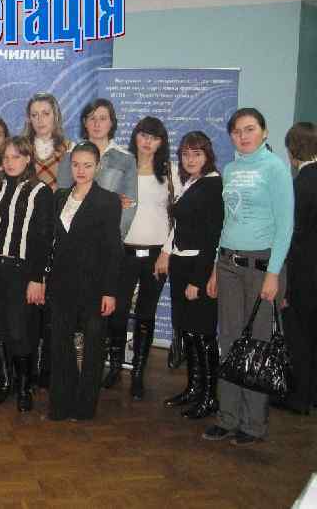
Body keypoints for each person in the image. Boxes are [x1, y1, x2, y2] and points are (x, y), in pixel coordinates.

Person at [203, 108, 294, 445]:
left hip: (262, 269)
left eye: (250, 129)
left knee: (257, 345)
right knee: (228, 341)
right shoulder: (230, 169)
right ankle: (227, 417)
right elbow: (228, 221)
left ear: (264, 132)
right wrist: (216, 266)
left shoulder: (275, 168)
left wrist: (273, 274)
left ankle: (253, 424)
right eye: (237, 131)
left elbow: (285, 226)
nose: (243, 136)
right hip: (228, 265)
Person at [47, 141, 122, 421]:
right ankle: (60, 404)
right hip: (61, 282)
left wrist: (110, 291)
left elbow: (113, 249)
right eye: (76, 164)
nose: (81, 170)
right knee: (60, 344)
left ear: (97, 167)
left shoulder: (108, 200)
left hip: (94, 284)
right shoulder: (60, 196)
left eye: (87, 165)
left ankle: (85, 406)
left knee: (93, 347)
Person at [104, 117, 176, 398]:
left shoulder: (170, 172)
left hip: (156, 255)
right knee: (118, 311)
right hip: (124, 252)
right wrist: (115, 202)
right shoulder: (123, 166)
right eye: (143, 135)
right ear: (135, 136)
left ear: (161, 142)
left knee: (146, 314)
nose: (148, 142)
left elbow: (177, 217)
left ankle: (137, 373)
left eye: (154, 137)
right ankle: (114, 368)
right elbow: (103, 201)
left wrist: (167, 252)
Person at [0, 136, 53, 412]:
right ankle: (5, 382)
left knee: (19, 331)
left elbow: (43, 238)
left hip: (20, 271)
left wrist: (37, 278)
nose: (10, 162)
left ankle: (24, 388)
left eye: (16, 157)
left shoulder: (40, 191)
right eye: (6, 157)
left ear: (28, 159)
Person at [161, 132, 223, 419]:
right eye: (185, 154)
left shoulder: (212, 185)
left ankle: (209, 397)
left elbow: (212, 237)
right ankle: (193, 388)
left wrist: (198, 280)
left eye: (197, 154)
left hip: (198, 267)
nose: (190, 159)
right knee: (187, 330)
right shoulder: (191, 183)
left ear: (207, 155)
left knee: (202, 333)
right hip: (181, 264)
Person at [79, 98, 138, 386]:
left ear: (112, 122)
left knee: (109, 311)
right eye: (91, 118)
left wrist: (110, 243)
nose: (97, 123)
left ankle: (109, 366)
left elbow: (129, 207)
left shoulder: (125, 159)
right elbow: (66, 198)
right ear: (85, 122)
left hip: (109, 251)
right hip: (78, 251)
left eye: (102, 118)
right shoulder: (74, 155)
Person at [22, 93, 75, 389]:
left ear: (55, 115)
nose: (40, 119)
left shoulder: (70, 149)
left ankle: (49, 369)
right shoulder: (21, 149)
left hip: (59, 233)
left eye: (45, 113)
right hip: (27, 234)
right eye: (34, 114)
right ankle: (27, 368)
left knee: (53, 306)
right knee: (29, 305)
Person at [282, 122, 317, 415]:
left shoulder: (299, 185)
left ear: (292, 151)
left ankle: (299, 397)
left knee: (299, 336)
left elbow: (292, 236)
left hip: (303, 274)